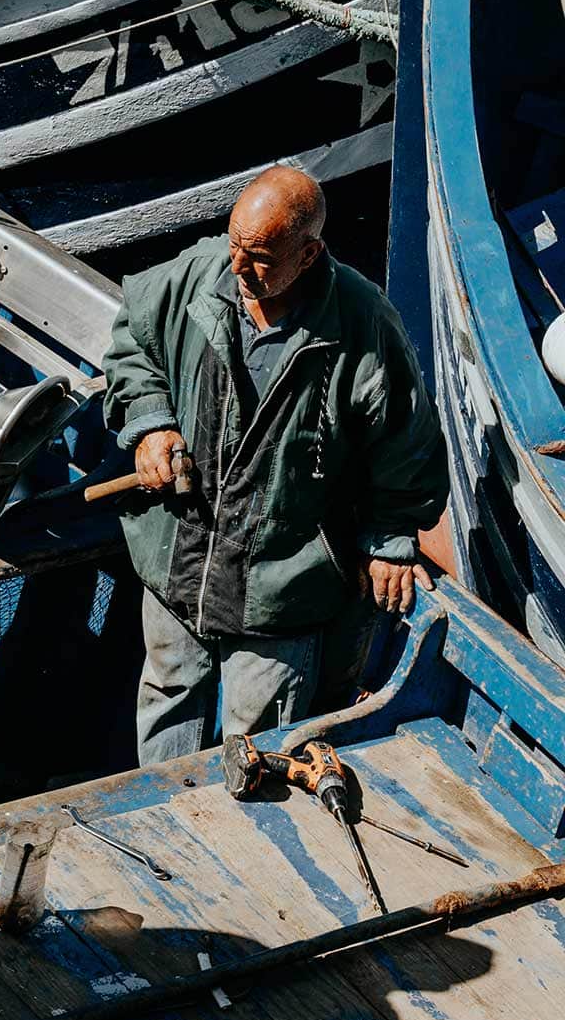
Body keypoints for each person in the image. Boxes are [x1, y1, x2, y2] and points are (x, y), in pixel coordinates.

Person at [102, 166, 448, 766]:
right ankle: (162, 834)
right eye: (234, 242)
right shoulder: (198, 274)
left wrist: (392, 539)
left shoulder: (364, 327)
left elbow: (407, 444)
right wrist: (151, 420)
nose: (237, 266)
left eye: (259, 255)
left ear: (308, 253)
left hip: (279, 589)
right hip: (180, 561)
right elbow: (133, 337)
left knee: (259, 743)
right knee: (165, 698)